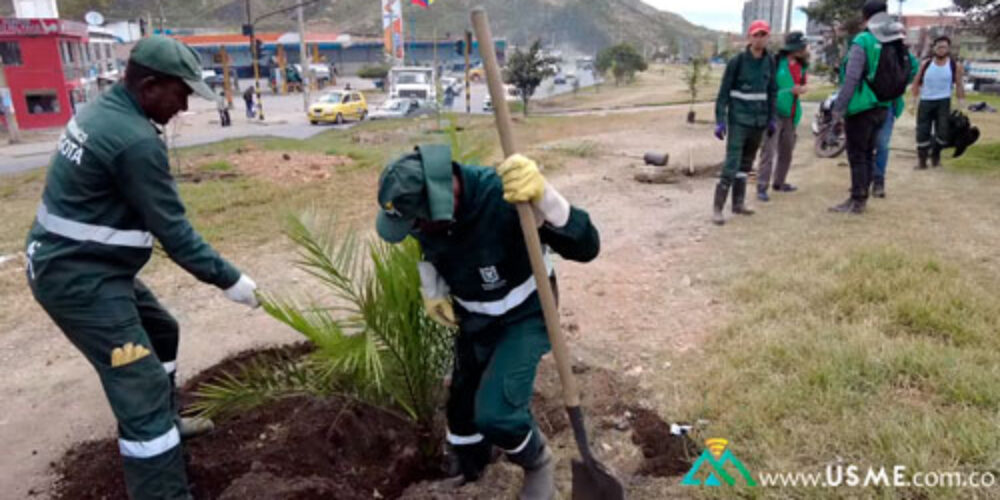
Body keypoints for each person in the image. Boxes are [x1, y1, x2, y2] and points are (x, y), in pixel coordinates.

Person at [24, 36, 259, 499]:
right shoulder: (133, 142)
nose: (185, 105)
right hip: (77, 278)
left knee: (162, 330)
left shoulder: (106, 110)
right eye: (181, 93)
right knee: (142, 385)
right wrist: (230, 279)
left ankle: (165, 423)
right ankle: (162, 483)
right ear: (150, 85)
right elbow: (175, 233)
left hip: (88, 264)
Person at [374, 145, 600, 500]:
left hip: (526, 312)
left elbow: (588, 247)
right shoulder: (431, 215)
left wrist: (546, 199)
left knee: (497, 413)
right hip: (475, 316)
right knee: (462, 407)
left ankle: (537, 462)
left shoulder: (505, 197)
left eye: (415, 221)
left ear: (442, 199)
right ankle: (470, 466)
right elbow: (429, 245)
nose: (414, 229)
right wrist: (431, 288)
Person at [829, 1, 910, 214]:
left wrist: (839, 109)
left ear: (865, 16)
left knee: (857, 155)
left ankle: (857, 200)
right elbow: (911, 68)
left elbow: (851, 78)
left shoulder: (863, 40)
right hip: (883, 106)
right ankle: (861, 197)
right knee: (868, 153)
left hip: (861, 107)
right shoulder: (895, 41)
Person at [712, 19, 777, 225]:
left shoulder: (770, 61)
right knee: (731, 164)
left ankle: (738, 204)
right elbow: (723, 94)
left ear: (768, 37)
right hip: (739, 120)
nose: (760, 38)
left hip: (758, 122)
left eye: (763, 35)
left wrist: (772, 118)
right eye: (756, 34)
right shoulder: (737, 62)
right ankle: (717, 209)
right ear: (749, 37)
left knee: (746, 164)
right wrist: (720, 120)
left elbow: (772, 92)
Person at [756, 31, 810, 202]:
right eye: (802, 46)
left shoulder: (802, 66)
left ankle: (779, 182)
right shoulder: (776, 62)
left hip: (791, 113)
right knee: (769, 150)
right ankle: (762, 186)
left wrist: (802, 89)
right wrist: (788, 91)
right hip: (773, 112)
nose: (805, 49)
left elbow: (802, 84)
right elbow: (766, 87)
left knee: (787, 149)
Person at [912, 35, 966, 168]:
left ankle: (935, 155)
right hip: (926, 101)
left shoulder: (954, 65)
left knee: (942, 132)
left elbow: (959, 85)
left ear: (948, 49)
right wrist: (913, 101)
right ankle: (922, 161)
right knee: (922, 131)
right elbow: (916, 82)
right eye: (939, 47)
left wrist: (961, 103)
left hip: (943, 101)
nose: (942, 50)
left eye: (945, 47)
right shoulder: (926, 64)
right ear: (934, 48)